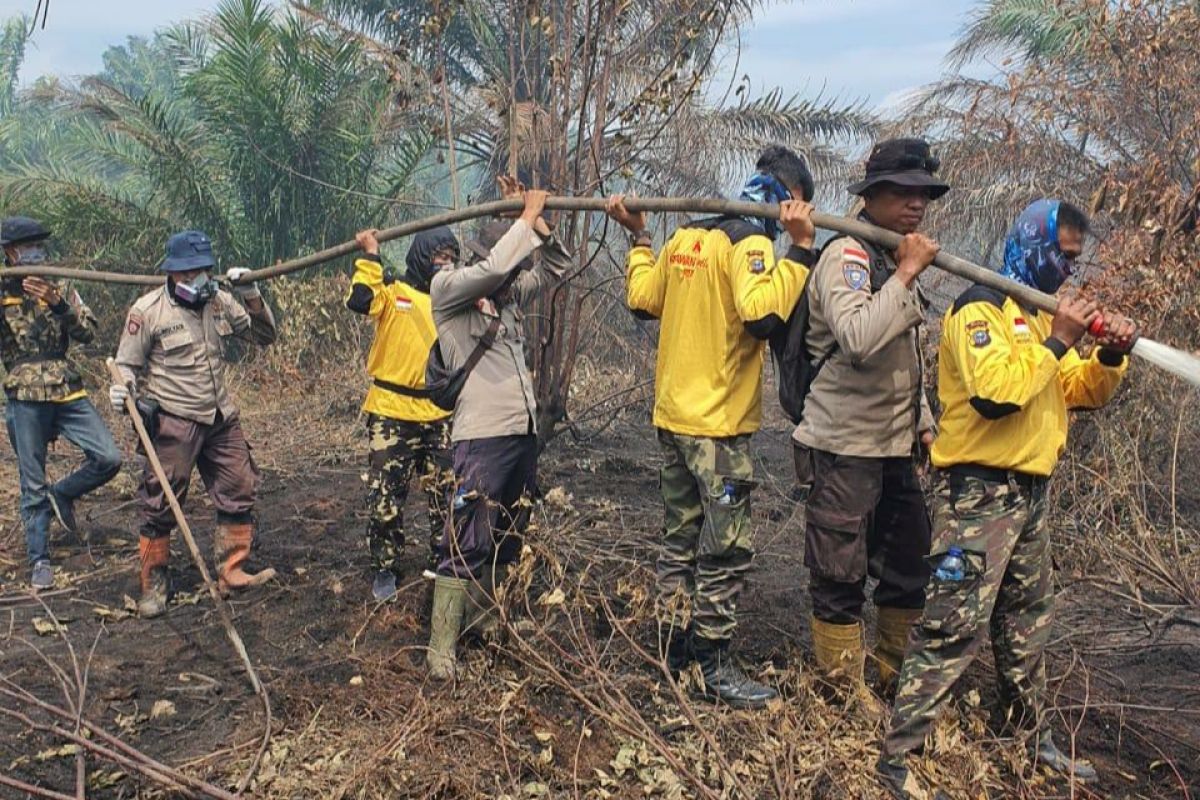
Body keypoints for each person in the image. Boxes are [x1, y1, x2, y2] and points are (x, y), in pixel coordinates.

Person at [877, 200, 1135, 798]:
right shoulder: (979, 310)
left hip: (1030, 492)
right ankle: (899, 760)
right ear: (1032, 244)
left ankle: (1027, 738)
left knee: (1026, 623)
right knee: (951, 625)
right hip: (979, 495)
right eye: (1060, 256)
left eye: (1074, 260)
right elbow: (997, 395)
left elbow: (1076, 391)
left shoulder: (1038, 318)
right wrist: (1060, 339)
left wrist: (1111, 354)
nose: (1067, 272)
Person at [606, 145, 818, 709]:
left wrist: (640, 238)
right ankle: (714, 664)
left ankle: (670, 652)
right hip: (717, 429)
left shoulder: (687, 236)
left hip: (672, 418)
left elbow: (640, 297)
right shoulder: (750, 241)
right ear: (791, 201)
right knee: (725, 550)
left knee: (680, 539)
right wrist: (799, 251)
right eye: (804, 209)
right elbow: (761, 315)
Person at [794, 137, 945, 693]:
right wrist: (904, 275)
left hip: (894, 445)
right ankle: (841, 695)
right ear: (872, 195)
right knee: (839, 576)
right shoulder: (850, 257)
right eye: (903, 192)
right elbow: (858, 338)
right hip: (844, 448)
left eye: (923, 194)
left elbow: (905, 355)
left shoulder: (891, 258)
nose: (916, 204)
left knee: (908, 570)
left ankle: (891, 681)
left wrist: (923, 420)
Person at [425, 178, 573, 680]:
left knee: (507, 534)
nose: (514, 279)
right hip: (481, 435)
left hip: (520, 433)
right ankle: (440, 649)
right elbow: (493, 268)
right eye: (510, 268)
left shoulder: (506, 300)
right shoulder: (448, 291)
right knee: (466, 537)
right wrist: (524, 219)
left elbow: (558, 267)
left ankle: (485, 624)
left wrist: (541, 229)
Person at [111, 230, 278, 618]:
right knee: (160, 500)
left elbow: (264, 336)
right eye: (188, 274)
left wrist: (251, 294)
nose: (196, 279)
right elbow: (125, 365)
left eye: (202, 271)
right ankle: (154, 585)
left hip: (219, 416)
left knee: (239, 486)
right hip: (173, 417)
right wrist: (121, 391)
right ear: (172, 274)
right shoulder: (148, 310)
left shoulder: (219, 301)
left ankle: (232, 570)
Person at [1, 216, 122, 589]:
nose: (36, 252)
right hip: (24, 394)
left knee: (108, 457)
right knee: (31, 482)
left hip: (67, 388)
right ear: (11, 253)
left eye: (40, 245)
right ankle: (39, 560)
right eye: (28, 247)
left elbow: (87, 332)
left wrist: (57, 303)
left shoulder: (62, 284)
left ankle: (64, 493)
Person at [347, 226, 455, 601]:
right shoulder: (394, 293)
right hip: (391, 411)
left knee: (447, 494)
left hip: (439, 411)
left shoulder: (453, 299)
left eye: (450, 257)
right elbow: (361, 300)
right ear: (422, 259)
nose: (445, 264)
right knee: (385, 497)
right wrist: (371, 254)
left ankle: (445, 562)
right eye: (439, 257)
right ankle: (385, 567)